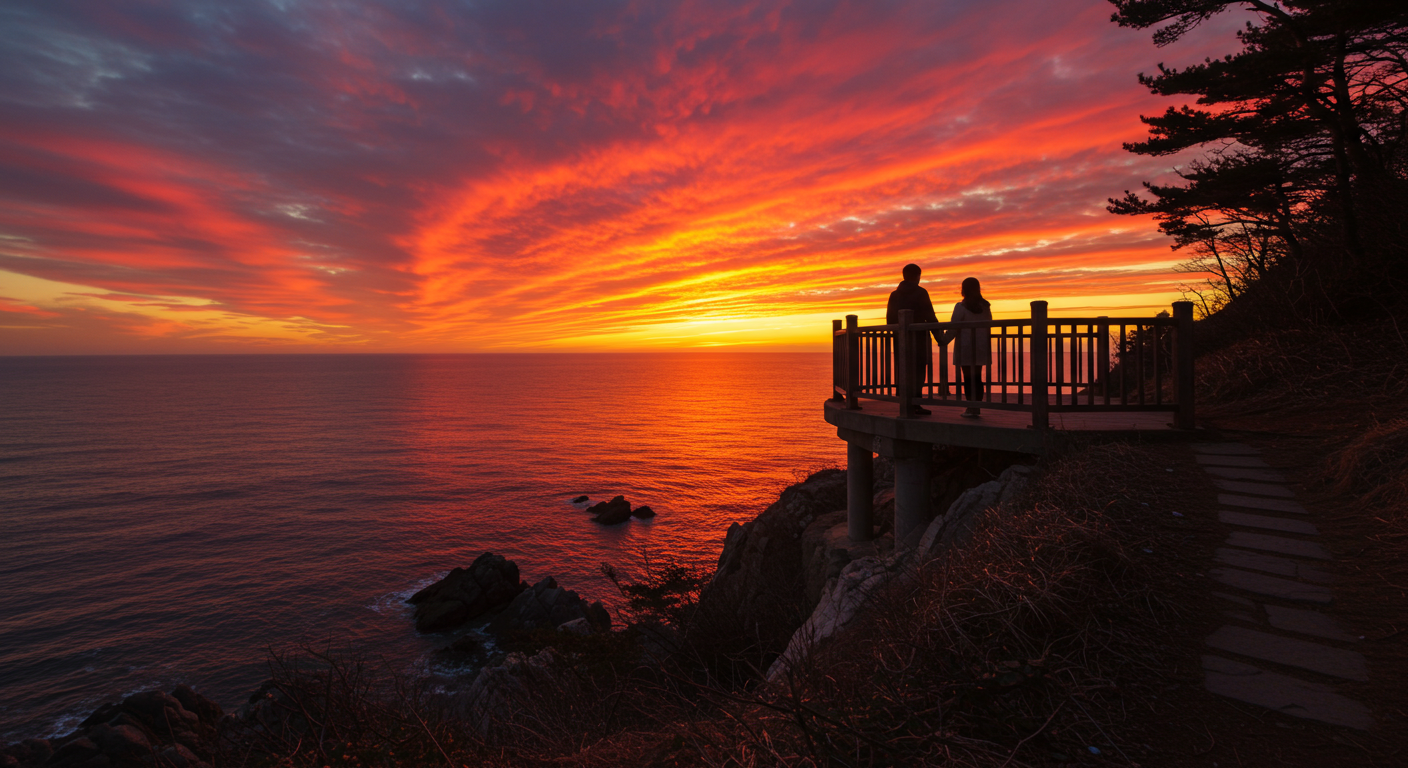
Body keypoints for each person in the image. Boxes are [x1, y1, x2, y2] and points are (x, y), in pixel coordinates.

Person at [886, 263, 944, 416]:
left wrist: (896, 337)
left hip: (900, 341)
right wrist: (939, 337)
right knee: (918, 371)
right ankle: (915, 403)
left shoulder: (894, 295)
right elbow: (930, 317)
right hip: (918, 340)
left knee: (903, 369)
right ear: (918, 276)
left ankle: (904, 402)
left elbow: (890, 320)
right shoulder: (921, 293)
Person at [945, 277, 992, 418]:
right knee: (977, 377)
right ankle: (977, 406)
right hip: (981, 346)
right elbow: (989, 323)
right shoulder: (985, 307)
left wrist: (943, 340)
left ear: (963, 289)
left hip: (966, 347)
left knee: (968, 378)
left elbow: (953, 328)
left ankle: (971, 408)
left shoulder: (961, 307)